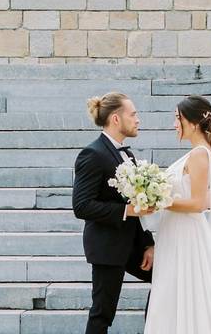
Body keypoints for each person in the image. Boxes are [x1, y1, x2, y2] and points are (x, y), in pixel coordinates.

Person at [143, 95, 211, 334]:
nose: (174, 124)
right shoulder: (197, 153)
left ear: (193, 122)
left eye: (177, 118)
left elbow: (200, 203)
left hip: (186, 236)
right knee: (174, 296)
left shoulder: (200, 154)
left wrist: (160, 200)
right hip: (177, 234)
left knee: (187, 295)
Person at [72, 92, 156, 334]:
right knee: (102, 313)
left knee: (167, 278)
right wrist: (126, 210)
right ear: (116, 119)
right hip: (107, 247)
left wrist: (148, 244)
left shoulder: (127, 155)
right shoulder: (92, 154)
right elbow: (82, 205)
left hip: (132, 244)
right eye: (133, 114)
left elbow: (136, 204)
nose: (138, 119)